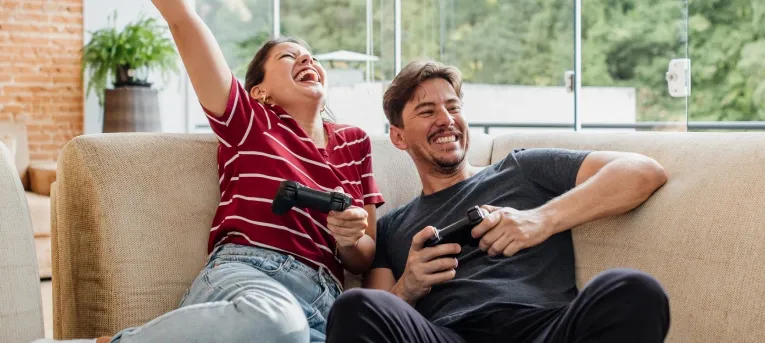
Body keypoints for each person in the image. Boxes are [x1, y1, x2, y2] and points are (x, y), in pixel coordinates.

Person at [36, 1, 384, 343]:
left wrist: (350, 238)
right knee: (279, 323)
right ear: (260, 93)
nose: (308, 58)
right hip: (251, 274)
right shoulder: (251, 122)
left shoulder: (355, 143)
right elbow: (184, 22)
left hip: (328, 302)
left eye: (312, 56)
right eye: (288, 56)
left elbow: (364, 257)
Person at [325, 60, 671, 343]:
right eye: (427, 111)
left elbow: (642, 172)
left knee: (633, 289)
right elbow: (374, 310)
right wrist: (409, 286)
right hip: (449, 335)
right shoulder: (392, 226)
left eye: (453, 107)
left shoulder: (522, 168)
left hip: (546, 330)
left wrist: (539, 220)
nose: (446, 119)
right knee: (356, 305)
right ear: (398, 136)